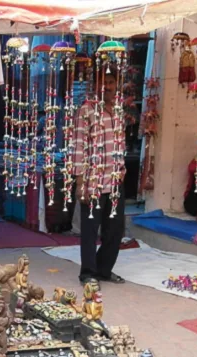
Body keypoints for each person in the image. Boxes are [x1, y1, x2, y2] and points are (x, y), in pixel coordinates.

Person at [71, 67, 126, 284]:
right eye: (105, 83)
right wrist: (80, 182)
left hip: (115, 181)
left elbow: (120, 143)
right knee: (90, 230)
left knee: (115, 230)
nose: (109, 88)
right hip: (93, 181)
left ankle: (104, 269)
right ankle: (88, 273)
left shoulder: (118, 111)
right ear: (96, 86)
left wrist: (122, 168)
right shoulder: (86, 110)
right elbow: (78, 146)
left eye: (112, 82)